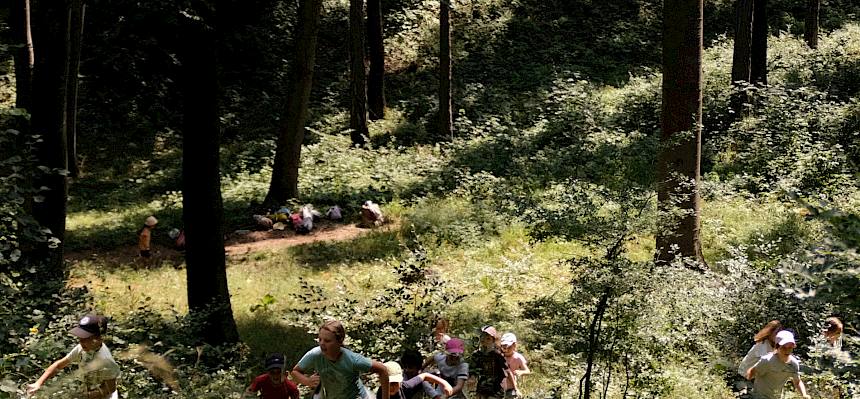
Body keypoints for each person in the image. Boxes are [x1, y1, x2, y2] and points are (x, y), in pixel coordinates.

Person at [27, 314, 121, 399]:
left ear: (99, 338)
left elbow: (110, 389)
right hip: (87, 387)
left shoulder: (105, 360)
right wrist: (38, 383)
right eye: (80, 338)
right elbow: (58, 365)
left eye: (86, 339)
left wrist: (85, 396)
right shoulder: (82, 348)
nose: (81, 342)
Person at [291, 320, 390, 399]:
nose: (322, 344)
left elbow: (383, 369)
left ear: (340, 341)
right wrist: (307, 381)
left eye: (327, 341)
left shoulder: (352, 360)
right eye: (320, 339)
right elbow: (295, 372)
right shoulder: (315, 354)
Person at [747, 330, 811, 399]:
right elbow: (751, 372)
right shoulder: (767, 361)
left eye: (790, 347)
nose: (787, 350)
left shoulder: (793, 364)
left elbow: (797, 382)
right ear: (777, 347)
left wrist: (804, 394)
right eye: (784, 347)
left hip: (776, 396)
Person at [470, 326, 515, 399]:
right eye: (483, 336)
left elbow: (507, 371)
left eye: (488, 338)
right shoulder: (476, 354)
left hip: (496, 389)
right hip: (482, 388)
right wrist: (472, 377)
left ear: (493, 341)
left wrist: (515, 388)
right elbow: (473, 370)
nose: (484, 340)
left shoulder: (497, 355)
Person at [376, 361, 453, 399]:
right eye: (388, 384)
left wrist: (444, 383)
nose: (392, 387)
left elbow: (424, 376)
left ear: (400, 382)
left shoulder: (405, 386)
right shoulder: (381, 393)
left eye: (395, 383)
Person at [499, 333, 530, 398]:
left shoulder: (518, 357)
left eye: (509, 347)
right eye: (504, 347)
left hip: (511, 388)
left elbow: (527, 371)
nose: (506, 349)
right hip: (498, 388)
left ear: (514, 345)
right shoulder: (499, 356)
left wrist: (521, 372)